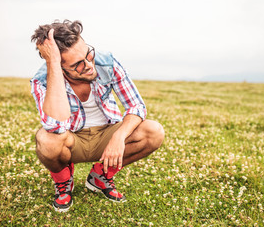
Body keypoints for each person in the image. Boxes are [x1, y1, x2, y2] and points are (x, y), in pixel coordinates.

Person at [30, 20, 164, 212]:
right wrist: (53, 65)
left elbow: (136, 105)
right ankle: (64, 183)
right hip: (71, 138)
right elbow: (55, 126)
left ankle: (100, 177)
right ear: (59, 66)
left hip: (107, 134)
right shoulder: (41, 81)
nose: (89, 65)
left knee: (154, 131)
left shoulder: (106, 62)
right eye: (77, 65)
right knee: (46, 139)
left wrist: (118, 137)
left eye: (88, 54)